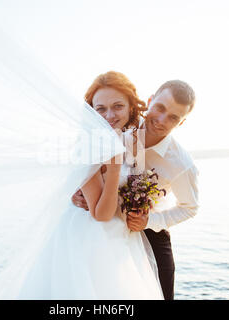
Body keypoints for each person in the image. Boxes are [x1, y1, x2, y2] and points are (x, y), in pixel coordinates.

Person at [0, 71, 164, 299]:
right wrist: (114, 170)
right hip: (92, 239)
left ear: (131, 108)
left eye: (117, 106)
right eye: (100, 109)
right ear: (91, 111)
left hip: (120, 237)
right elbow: (100, 215)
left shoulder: (128, 138)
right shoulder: (88, 147)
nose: (110, 115)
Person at [73, 79, 199, 300]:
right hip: (104, 227)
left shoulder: (181, 164)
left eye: (173, 117)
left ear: (181, 123)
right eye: (160, 108)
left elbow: (190, 208)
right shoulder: (120, 124)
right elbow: (87, 166)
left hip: (150, 233)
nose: (161, 120)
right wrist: (77, 194)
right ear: (150, 101)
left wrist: (149, 221)